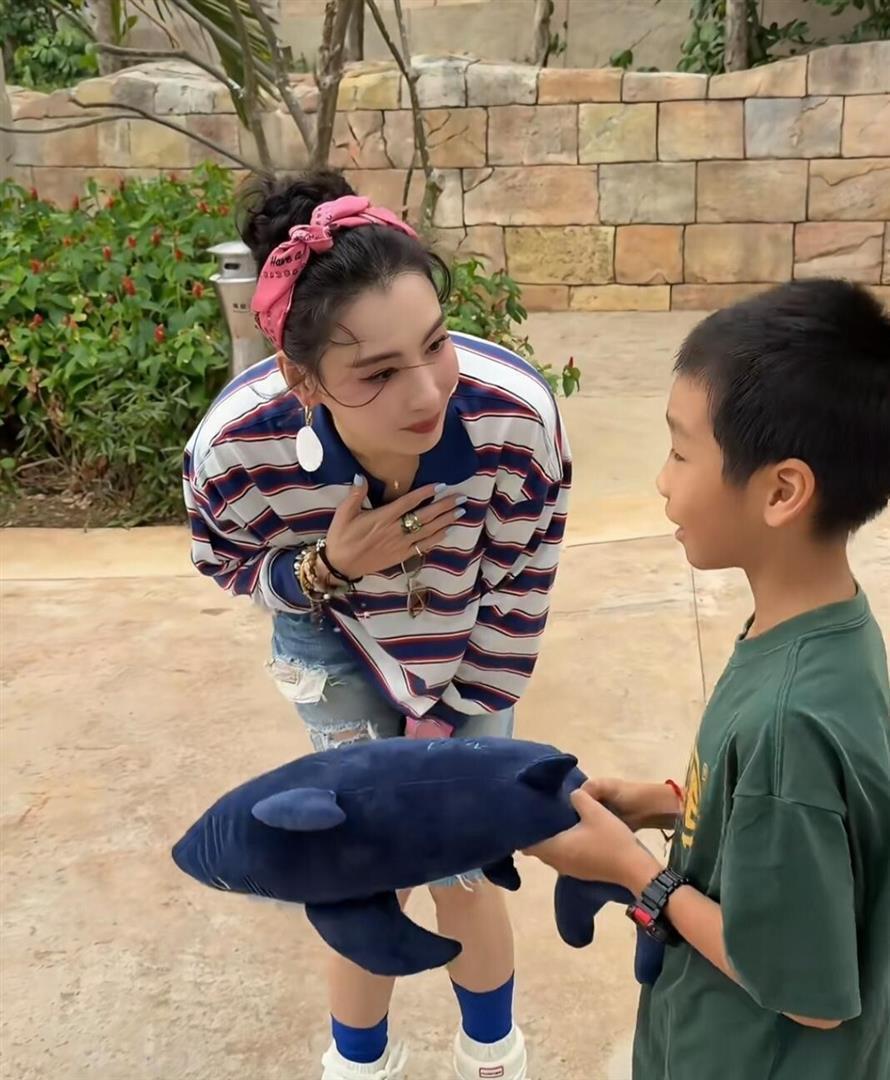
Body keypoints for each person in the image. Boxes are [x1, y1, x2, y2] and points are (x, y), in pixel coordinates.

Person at [182, 170, 572, 1080]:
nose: (427, 393)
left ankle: (493, 1057)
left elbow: (518, 592)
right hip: (331, 638)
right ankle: (358, 1064)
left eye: (435, 344)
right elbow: (224, 561)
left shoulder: (514, 422)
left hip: (473, 646)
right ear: (300, 377)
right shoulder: (237, 450)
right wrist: (326, 567)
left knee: (463, 858)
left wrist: (448, 721)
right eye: (378, 372)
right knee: (357, 864)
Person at [529, 279, 890, 1080]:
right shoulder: (831, 629)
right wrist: (667, 804)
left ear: (782, 491)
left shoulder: (787, 722)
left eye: (681, 451)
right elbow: (817, 834)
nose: (662, 480)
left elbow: (807, 992)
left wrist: (635, 871)